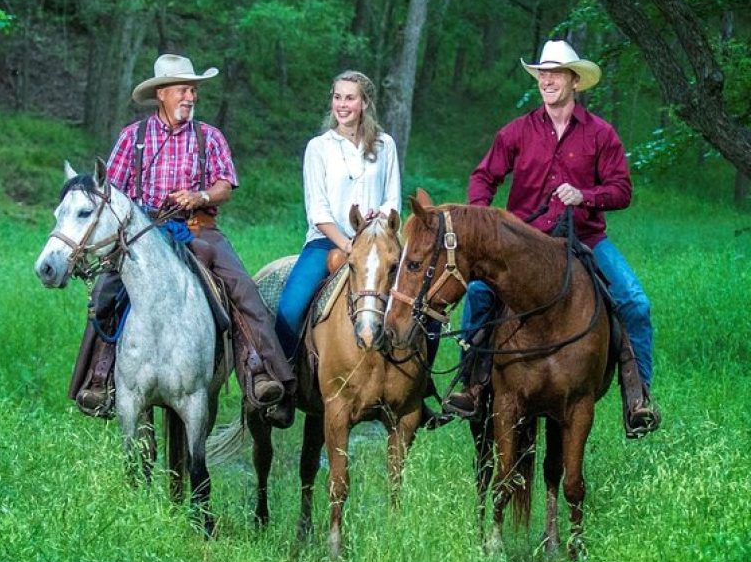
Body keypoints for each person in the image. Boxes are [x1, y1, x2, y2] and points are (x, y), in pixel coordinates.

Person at [445, 39, 660, 436]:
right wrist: (488, 220)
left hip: (585, 240)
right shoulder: (517, 131)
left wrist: (586, 195)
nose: (547, 80)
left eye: (555, 73)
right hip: (523, 243)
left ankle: (637, 395)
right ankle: (472, 383)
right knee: (478, 293)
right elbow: (483, 176)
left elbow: (622, 190)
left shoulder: (601, 134)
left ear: (574, 80)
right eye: (542, 73)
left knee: (634, 301)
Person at [70, 53, 295, 428]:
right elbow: (111, 192)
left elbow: (224, 185)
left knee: (241, 289)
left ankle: (262, 373)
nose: (190, 97)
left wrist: (201, 196)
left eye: (193, 90)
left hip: (197, 229)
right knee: (105, 294)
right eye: (182, 90)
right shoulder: (133, 138)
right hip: (143, 234)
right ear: (162, 94)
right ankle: (99, 378)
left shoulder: (209, 137)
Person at [274, 70, 400, 360]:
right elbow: (317, 211)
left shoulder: (385, 145)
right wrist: (347, 245)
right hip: (327, 242)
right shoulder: (319, 148)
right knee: (290, 309)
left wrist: (378, 218)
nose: (342, 104)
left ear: (365, 103)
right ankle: (282, 381)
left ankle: (420, 387)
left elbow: (392, 199)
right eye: (337, 97)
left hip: (378, 243)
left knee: (421, 308)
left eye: (350, 98)